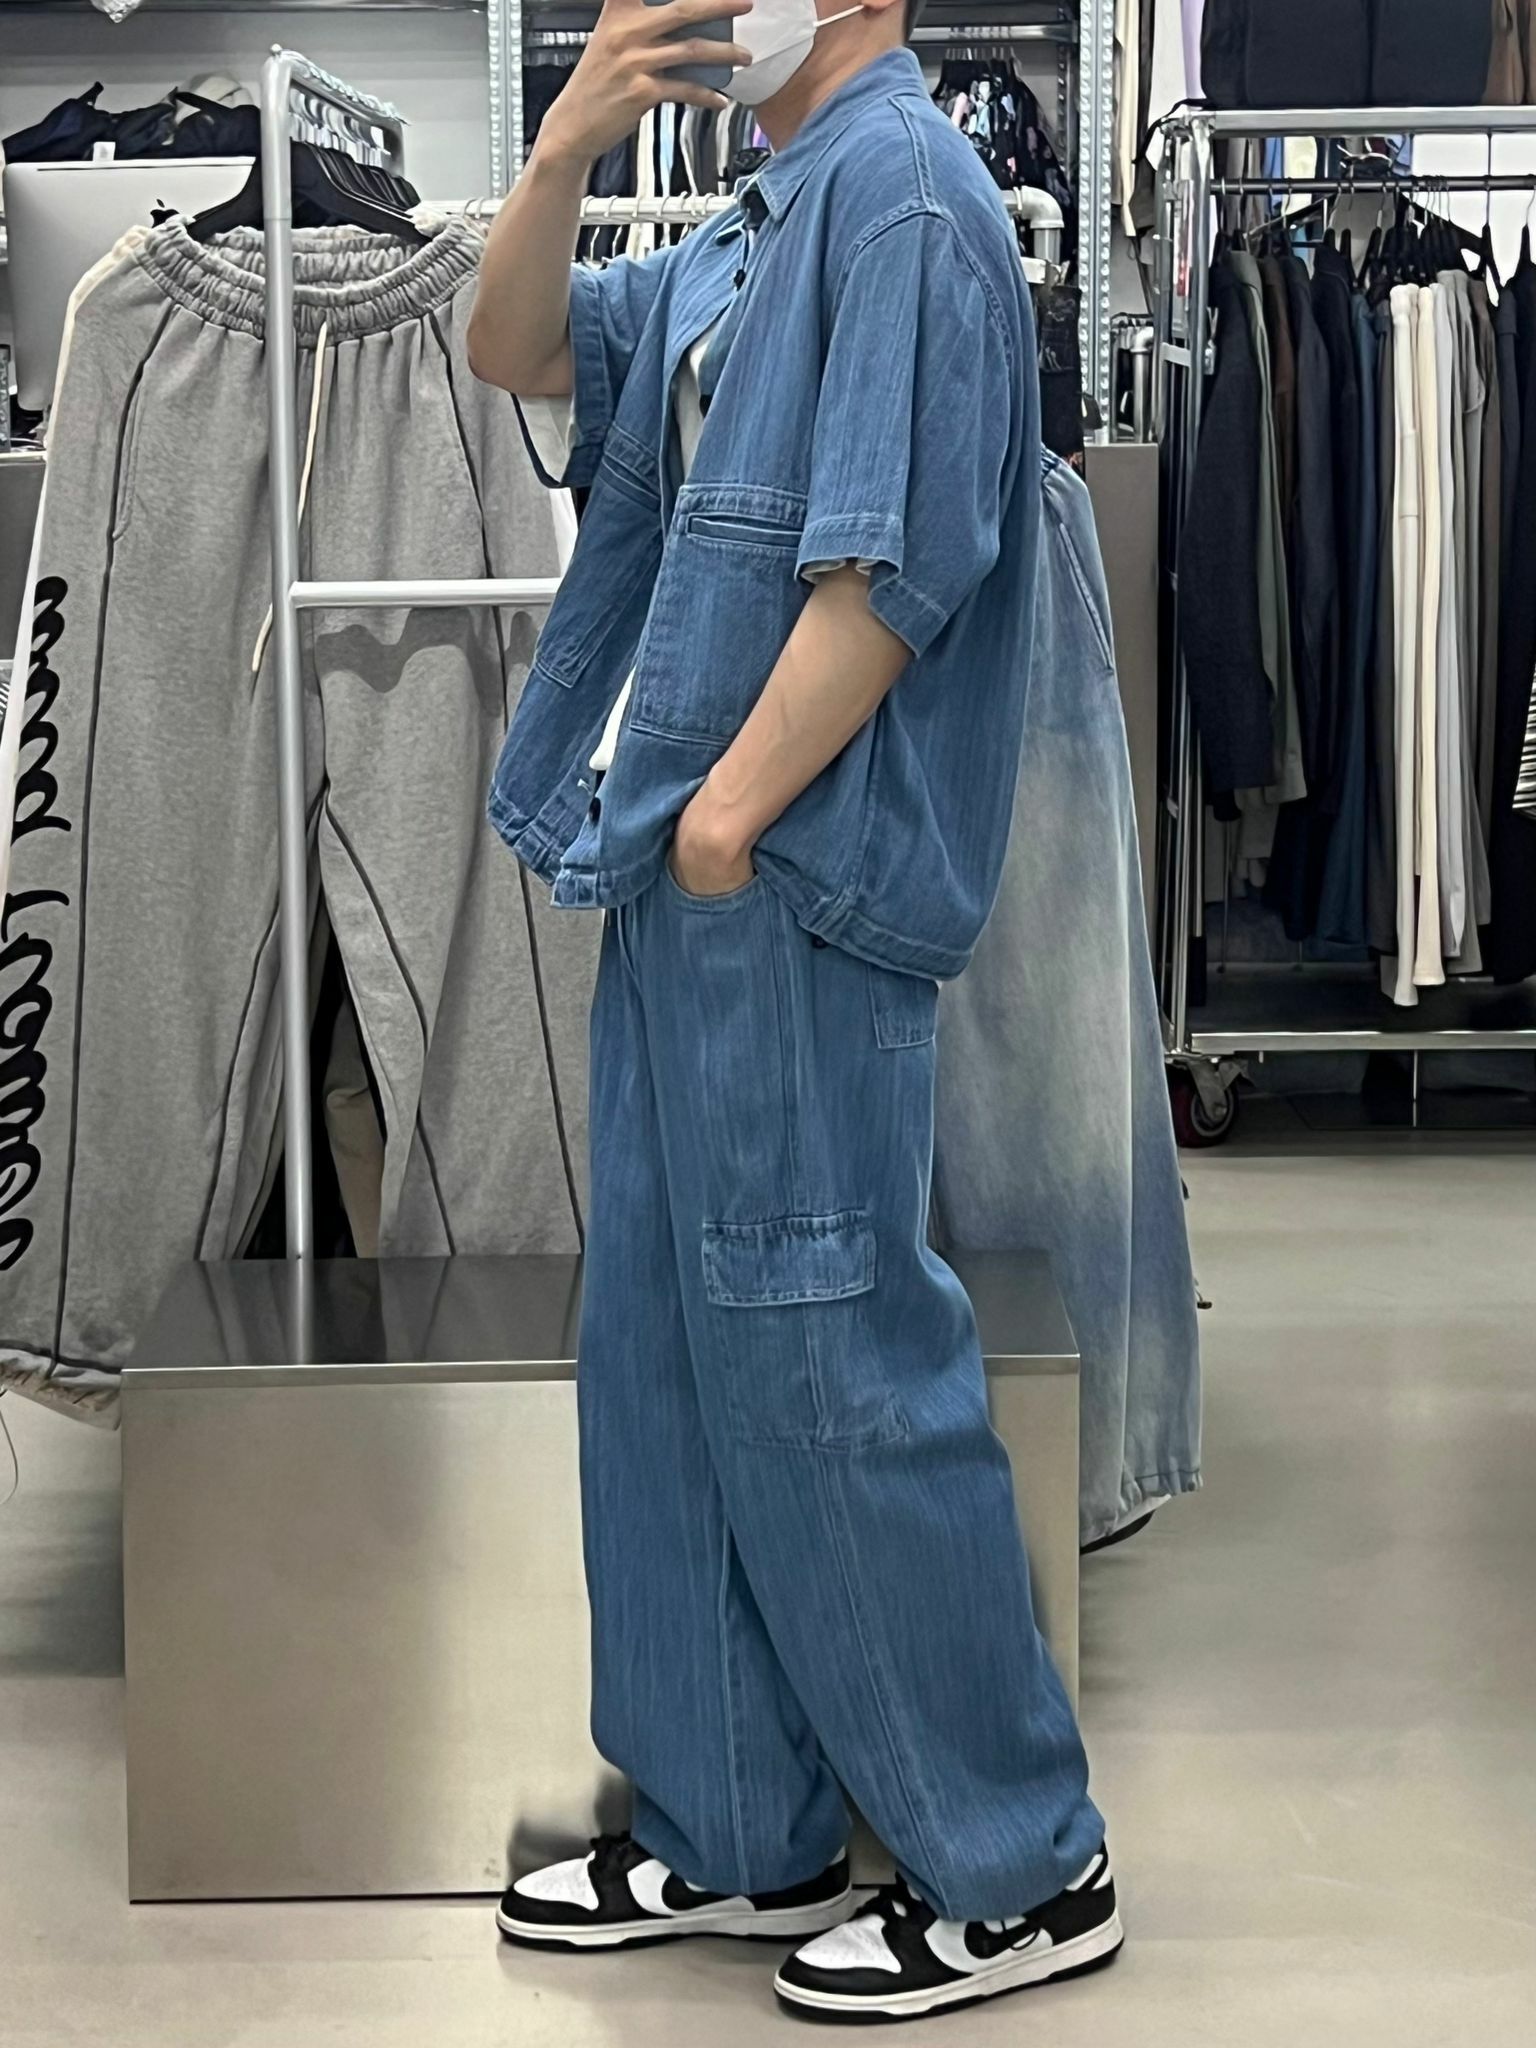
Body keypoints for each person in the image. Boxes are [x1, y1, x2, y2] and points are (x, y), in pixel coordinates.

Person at [468, 0, 1122, 2022]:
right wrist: (568, 138)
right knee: (668, 1363)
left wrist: (729, 824)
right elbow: (513, 347)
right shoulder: (758, 218)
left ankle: (1024, 1862)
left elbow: (895, 573)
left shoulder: (907, 193)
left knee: (834, 1361)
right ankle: (733, 1823)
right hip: (690, 883)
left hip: (793, 887)